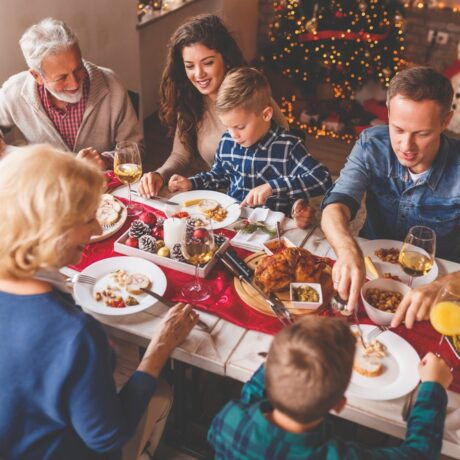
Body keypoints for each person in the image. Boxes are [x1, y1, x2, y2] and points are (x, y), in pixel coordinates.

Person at [0, 145, 198, 460]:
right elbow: (106, 437)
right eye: (88, 218)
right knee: (161, 394)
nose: (96, 228)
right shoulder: (73, 335)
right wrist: (160, 348)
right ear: (53, 229)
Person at [320, 66, 460, 327]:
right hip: (369, 269)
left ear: (445, 121)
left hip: (436, 289)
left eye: (422, 133)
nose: (406, 146)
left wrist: (443, 286)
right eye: (398, 129)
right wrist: (347, 249)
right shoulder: (371, 144)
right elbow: (334, 206)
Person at [208, 315, 452, 459]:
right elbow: (420, 452)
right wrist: (433, 386)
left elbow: (251, 396)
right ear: (340, 404)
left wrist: (285, 355)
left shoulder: (227, 419)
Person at [137, 14, 289, 198]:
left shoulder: (252, 96)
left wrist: (294, 203)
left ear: (225, 58)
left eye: (208, 63)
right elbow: (180, 155)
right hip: (214, 200)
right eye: (190, 66)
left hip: (260, 204)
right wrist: (159, 175)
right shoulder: (190, 99)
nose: (199, 74)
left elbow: (288, 158)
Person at [168, 67, 331, 215]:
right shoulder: (227, 140)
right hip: (233, 219)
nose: (233, 135)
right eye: (228, 127)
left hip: (274, 228)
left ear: (266, 114)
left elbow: (322, 178)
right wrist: (191, 183)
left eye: (239, 127)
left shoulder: (288, 145)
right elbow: (219, 175)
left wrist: (272, 187)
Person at [0, 18, 143, 169]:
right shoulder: (15, 90)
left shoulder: (111, 84)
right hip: (46, 185)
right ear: (37, 76)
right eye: (62, 77)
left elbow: (136, 149)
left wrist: (106, 160)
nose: (75, 83)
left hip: (98, 186)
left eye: (78, 68)